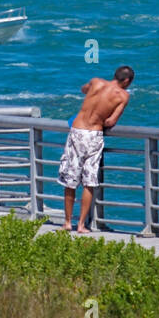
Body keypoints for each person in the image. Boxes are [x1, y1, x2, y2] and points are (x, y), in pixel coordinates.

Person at [58, 66, 135, 234]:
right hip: (94, 134)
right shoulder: (123, 96)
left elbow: (83, 89)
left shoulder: (96, 82)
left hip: (77, 130)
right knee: (89, 181)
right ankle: (81, 225)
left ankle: (67, 223)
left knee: (70, 179)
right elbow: (111, 122)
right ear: (127, 81)